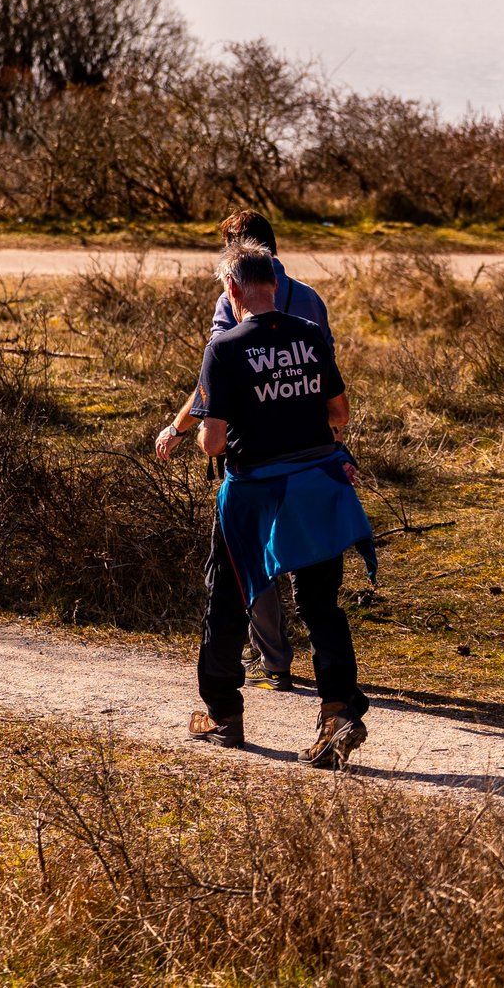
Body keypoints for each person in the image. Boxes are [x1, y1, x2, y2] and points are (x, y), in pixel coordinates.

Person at [155, 242, 375, 769]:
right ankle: (336, 712)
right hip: (318, 486)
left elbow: (210, 443)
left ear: (232, 289)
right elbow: (339, 412)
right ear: (274, 285)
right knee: (321, 604)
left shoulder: (225, 347)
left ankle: (223, 713)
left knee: (228, 598)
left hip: (253, 494)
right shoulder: (311, 334)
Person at [158, 210, 330, 691]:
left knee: (245, 561)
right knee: (310, 559)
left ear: (235, 259)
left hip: (252, 455)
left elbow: (215, 378)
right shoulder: (311, 302)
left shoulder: (229, 300)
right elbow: (327, 381)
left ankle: (269, 660)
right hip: (310, 448)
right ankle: (329, 678)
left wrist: (178, 427)